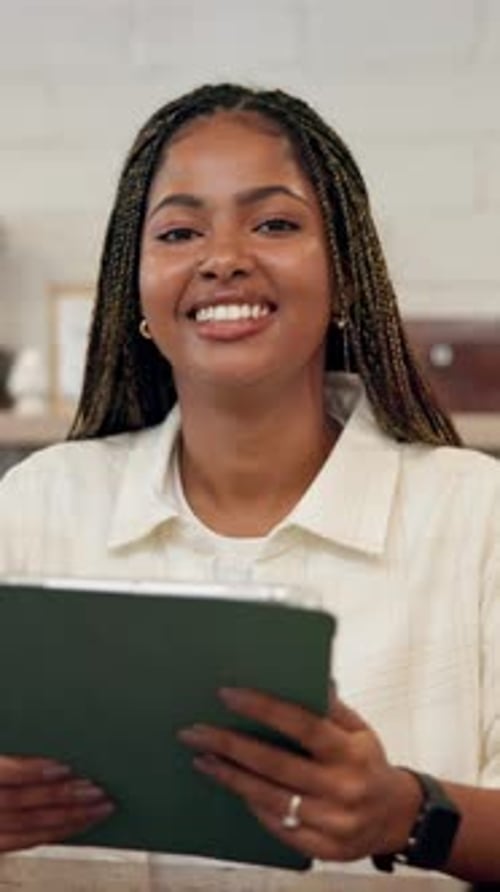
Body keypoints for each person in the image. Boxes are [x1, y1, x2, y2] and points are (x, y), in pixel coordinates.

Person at [0, 82, 498, 885]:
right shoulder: (33, 507)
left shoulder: (477, 517)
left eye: (274, 223)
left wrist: (407, 813)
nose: (223, 257)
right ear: (138, 290)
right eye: (179, 230)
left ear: (345, 276)